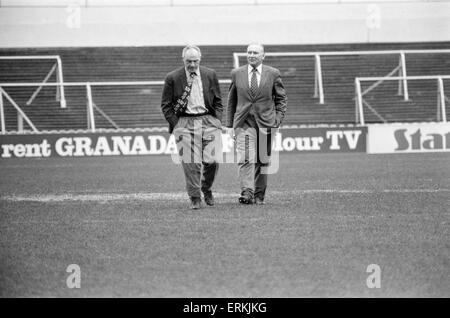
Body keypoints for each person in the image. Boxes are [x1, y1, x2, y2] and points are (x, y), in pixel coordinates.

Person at [161, 45, 223, 209]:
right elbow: (166, 105)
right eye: (189, 61)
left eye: (195, 61)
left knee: (213, 160)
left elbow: (218, 101)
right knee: (191, 163)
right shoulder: (172, 78)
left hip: (208, 121)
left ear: (200, 59)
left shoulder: (210, 74)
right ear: (183, 60)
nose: (192, 65)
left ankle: (206, 188)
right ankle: (195, 197)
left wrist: (217, 120)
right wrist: (177, 125)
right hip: (185, 122)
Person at [226, 43, 287, 205]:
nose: (251, 55)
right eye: (249, 52)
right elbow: (232, 101)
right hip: (244, 123)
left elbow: (281, 99)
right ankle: (247, 192)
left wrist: (277, 120)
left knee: (262, 160)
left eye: (255, 52)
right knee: (245, 157)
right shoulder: (237, 73)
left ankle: (259, 195)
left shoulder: (273, 74)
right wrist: (230, 126)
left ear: (263, 56)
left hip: (266, 123)